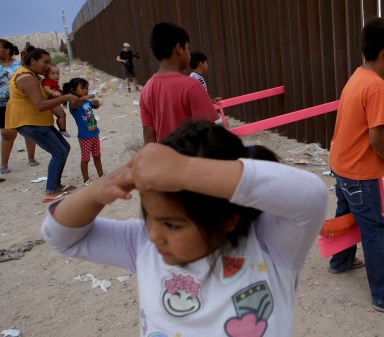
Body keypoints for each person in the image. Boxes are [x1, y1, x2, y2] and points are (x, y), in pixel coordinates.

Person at [40, 120, 328, 335]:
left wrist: (183, 171)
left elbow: (311, 196)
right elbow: (61, 236)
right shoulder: (142, 245)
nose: (153, 234)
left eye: (172, 225)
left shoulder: (270, 245)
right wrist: (97, 191)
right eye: (149, 216)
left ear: (229, 218)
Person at [327, 17, 384, 313]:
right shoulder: (377, 87)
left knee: (347, 213)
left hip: (341, 165)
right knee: (374, 229)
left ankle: (340, 261)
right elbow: (377, 136)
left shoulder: (359, 75)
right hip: (359, 173)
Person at [6, 48, 79, 202]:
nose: (47, 66)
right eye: (45, 62)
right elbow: (39, 104)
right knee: (59, 152)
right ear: (33, 61)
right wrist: (64, 97)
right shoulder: (26, 77)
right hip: (30, 123)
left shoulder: (32, 76)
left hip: (38, 122)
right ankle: (50, 191)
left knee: (64, 148)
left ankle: (56, 185)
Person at [139, 22, 219, 144]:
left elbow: (149, 139)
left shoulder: (146, 90)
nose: (189, 52)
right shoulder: (192, 86)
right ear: (179, 49)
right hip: (191, 161)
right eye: (188, 48)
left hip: (165, 161)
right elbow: (209, 137)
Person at [1, 39, 38, 174]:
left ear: (7, 50)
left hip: (19, 103)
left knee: (27, 130)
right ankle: (3, 164)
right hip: (1, 106)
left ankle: (31, 158)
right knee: (6, 134)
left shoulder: (18, 67)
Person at [63, 78, 103, 185]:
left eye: (87, 88)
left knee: (97, 155)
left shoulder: (86, 101)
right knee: (85, 159)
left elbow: (95, 106)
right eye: (83, 88)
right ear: (73, 90)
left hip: (94, 133)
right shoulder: (73, 103)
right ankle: (86, 180)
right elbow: (76, 103)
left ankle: (101, 175)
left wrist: (96, 103)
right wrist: (86, 97)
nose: (86, 90)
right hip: (85, 136)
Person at [41, 65, 72, 138]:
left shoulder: (53, 82)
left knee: (62, 115)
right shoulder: (47, 81)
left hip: (53, 101)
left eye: (57, 73)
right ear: (46, 74)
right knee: (61, 115)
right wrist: (53, 93)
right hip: (50, 102)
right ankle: (62, 129)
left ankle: (63, 129)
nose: (56, 75)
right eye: (53, 73)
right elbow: (46, 88)